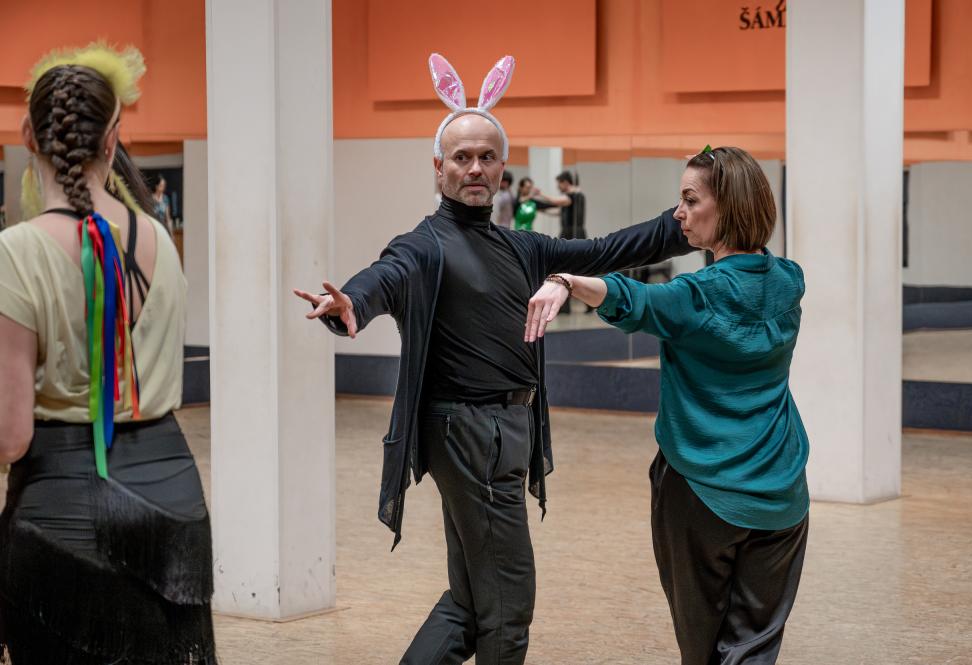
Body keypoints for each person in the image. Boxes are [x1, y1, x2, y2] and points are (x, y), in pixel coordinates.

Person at [293, 53, 691, 665]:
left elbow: (606, 250)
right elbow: (382, 277)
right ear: (439, 167)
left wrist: (681, 220)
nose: (474, 168)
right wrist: (350, 304)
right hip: (468, 434)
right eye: (461, 157)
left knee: (472, 602)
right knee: (508, 604)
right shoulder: (422, 246)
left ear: (504, 167)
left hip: (506, 430)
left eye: (486, 156)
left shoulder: (521, 246)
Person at [525, 146, 809, 665]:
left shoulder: (694, 295)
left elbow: (632, 300)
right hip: (782, 491)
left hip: (702, 491)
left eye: (690, 200)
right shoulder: (790, 280)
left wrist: (565, 280)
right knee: (755, 647)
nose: (678, 213)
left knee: (702, 649)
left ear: (729, 207)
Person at [0, 43, 216, 664]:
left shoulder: (17, 252)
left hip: (61, 509)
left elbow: (11, 436)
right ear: (113, 138)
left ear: (28, 137)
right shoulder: (159, 241)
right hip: (172, 500)